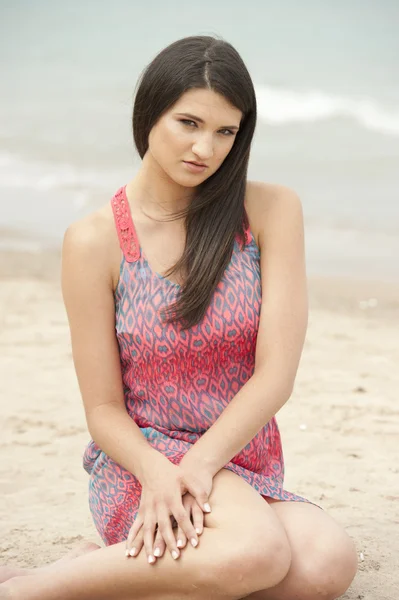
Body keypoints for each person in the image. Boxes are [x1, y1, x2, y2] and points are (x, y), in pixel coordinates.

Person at [0, 35, 357, 600]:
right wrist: (160, 470)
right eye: (187, 123)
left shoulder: (269, 212)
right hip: (142, 464)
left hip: (238, 455)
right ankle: (32, 591)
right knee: (256, 554)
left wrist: (200, 465)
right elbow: (102, 409)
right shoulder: (93, 242)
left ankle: (105, 571)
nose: (205, 148)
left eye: (225, 132)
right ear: (150, 114)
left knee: (327, 564)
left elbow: (276, 374)